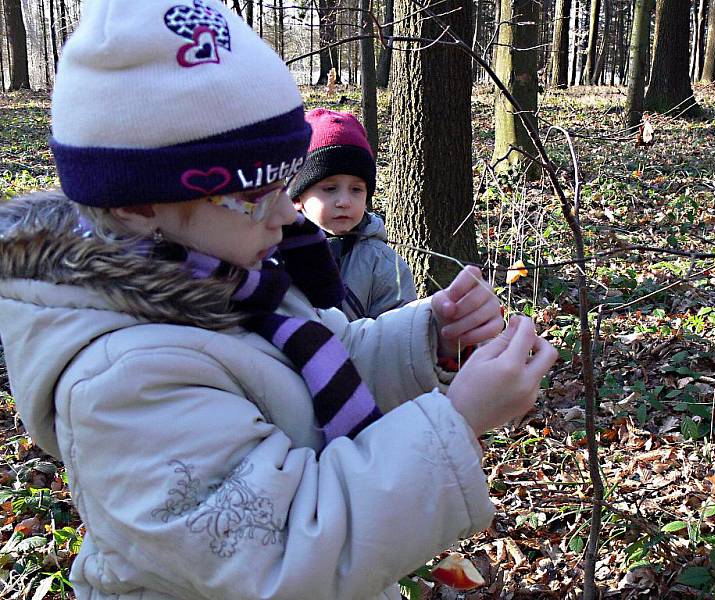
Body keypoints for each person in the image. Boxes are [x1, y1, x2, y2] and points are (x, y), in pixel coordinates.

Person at [0, 2, 558, 599]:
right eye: (254, 195)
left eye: (285, 182)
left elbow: (319, 358)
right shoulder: (121, 381)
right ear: (139, 206)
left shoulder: (225, 270)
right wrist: (460, 421)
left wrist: (432, 339)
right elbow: (285, 554)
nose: (288, 212)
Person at [289, 108, 417, 320]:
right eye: (330, 189)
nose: (344, 202)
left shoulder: (383, 264)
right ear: (298, 198)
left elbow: (399, 333)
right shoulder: (275, 252)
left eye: (356, 189)